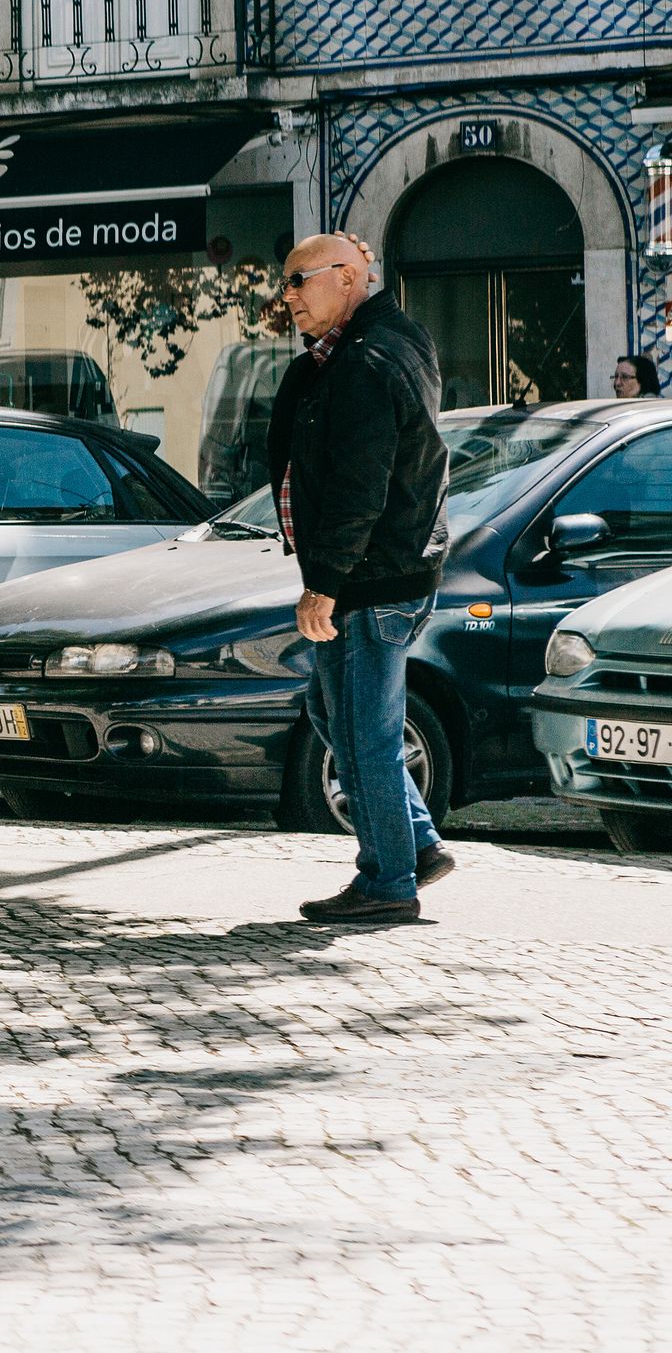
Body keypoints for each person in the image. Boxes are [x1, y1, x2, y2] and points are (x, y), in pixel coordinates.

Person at [270, 233, 458, 924]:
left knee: (364, 732)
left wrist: (325, 580)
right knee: (334, 715)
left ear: (348, 278)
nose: (286, 297)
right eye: (285, 284)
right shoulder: (360, 350)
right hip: (375, 571)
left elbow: (360, 486)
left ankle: (387, 880)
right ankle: (416, 842)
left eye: (298, 282)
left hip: (369, 579)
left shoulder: (370, 358)